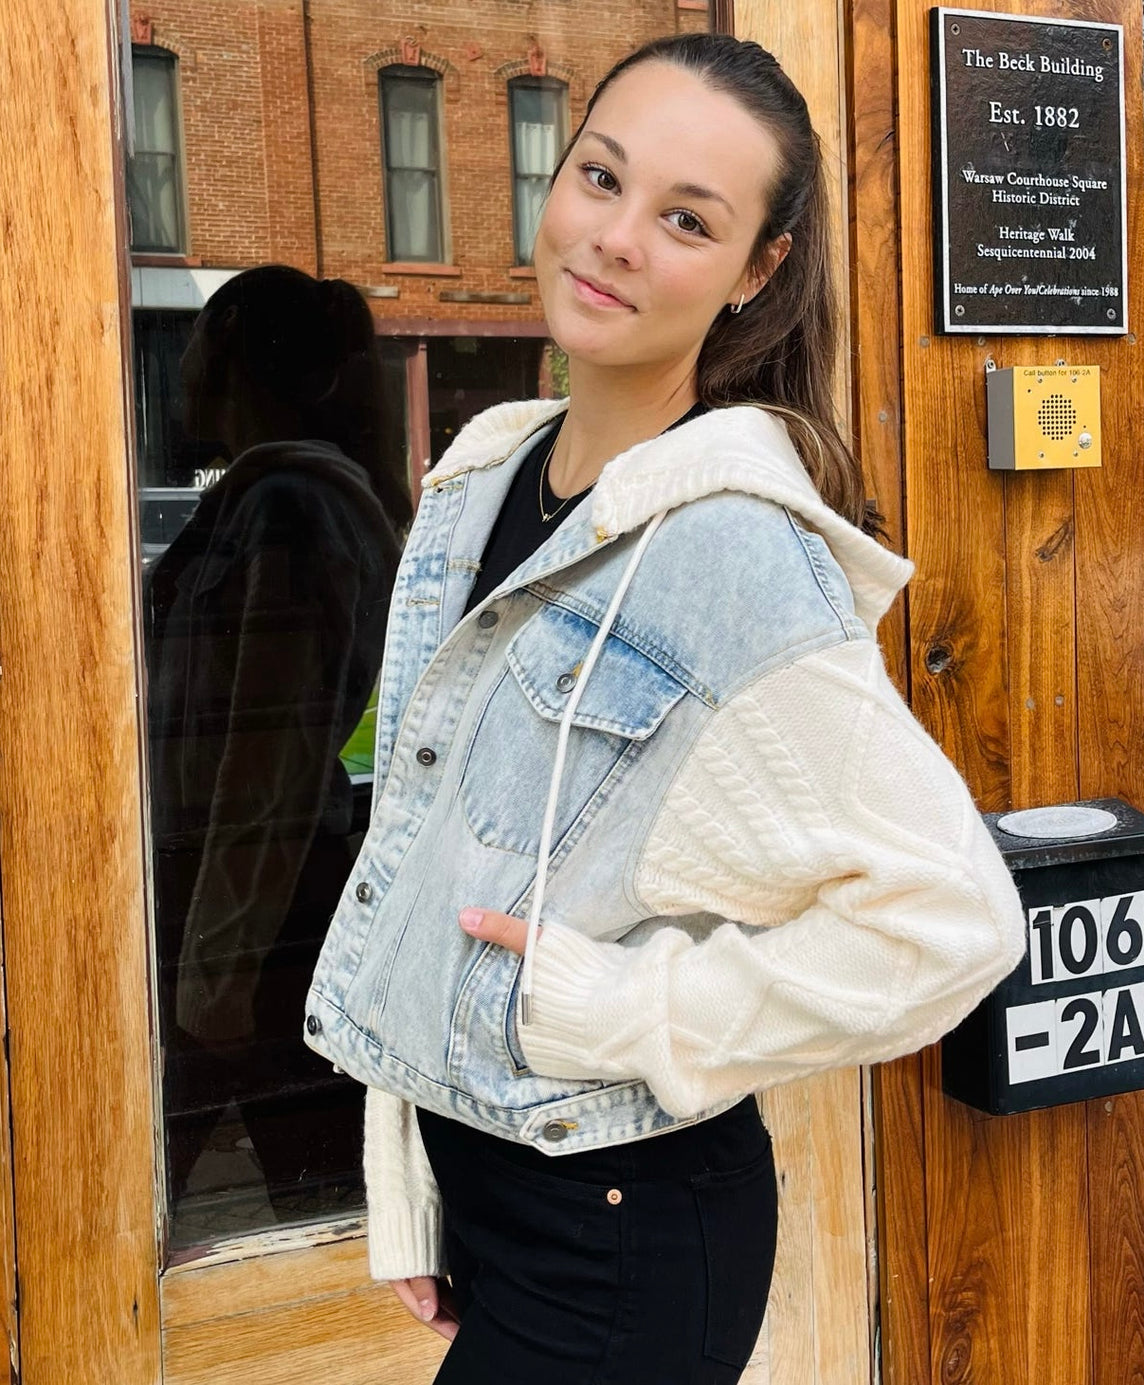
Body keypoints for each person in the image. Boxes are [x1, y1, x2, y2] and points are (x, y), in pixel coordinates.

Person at [303, 33, 1026, 1383]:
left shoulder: (730, 548)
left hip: (622, 1237)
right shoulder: (482, 477)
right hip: (507, 1195)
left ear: (757, 271)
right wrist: (410, 1172)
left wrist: (630, 1009)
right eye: (601, 177)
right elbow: (427, 843)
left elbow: (954, 921)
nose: (617, 237)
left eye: (688, 219)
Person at [146, 265, 407, 1220]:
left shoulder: (292, 507)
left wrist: (217, 966)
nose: (178, 365)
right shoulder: (262, 499)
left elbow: (272, 757)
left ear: (232, 357)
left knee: (317, 1202)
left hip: (261, 911)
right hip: (234, 901)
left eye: (197, 338)